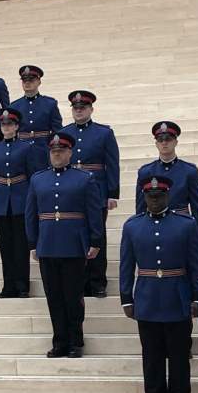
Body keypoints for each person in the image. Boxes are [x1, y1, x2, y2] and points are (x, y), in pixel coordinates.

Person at [120, 176, 198, 393]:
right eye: (150, 196)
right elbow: (126, 264)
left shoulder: (186, 225)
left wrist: (196, 296)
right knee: (152, 360)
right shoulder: (133, 226)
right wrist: (126, 296)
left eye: (159, 196)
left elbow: (195, 264)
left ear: (168, 196)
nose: (154, 200)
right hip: (146, 300)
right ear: (144, 198)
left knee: (179, 359)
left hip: (177, 298)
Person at [26, 131, 103, 358]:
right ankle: (59, 341)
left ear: (70, 153)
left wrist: (95, 240)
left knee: (73, 296)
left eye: (61, 151)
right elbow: (31, 214)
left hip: (73, 245)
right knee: (54, 297)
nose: (57, 155)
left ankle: (75, 341)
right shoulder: (38, 179)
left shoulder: (84, 178)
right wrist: (33, 242)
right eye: (53, 151)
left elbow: (93, 212)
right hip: (47, 245)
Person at [61, 90, 119, 298]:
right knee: (77, 236)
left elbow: (111, 164)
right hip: (72, 191)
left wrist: (113, 193)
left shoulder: (103, 133)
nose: (79, 111)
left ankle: (97, 281)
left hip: (96, 191)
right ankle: (80, 280)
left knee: (97, 235)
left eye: (83, 108)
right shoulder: (64, 133)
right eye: (75, 108)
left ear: (91, 109)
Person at [0, 107, 43, 297]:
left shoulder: (27, 147)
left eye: (10, 124)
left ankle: (22, 285)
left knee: (20, 245)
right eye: (3, 124)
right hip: (2, 200)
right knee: (5, 246)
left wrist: (33, 202)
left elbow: (32, 176)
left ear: (17, 126)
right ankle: (8, 285)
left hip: (21, 198)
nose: (6, 127)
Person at [135, 121, 198, 239]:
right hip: (154, 224)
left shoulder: (189, 171)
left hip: (181, 225)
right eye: (160, 140)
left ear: (176, 142)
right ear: (156, 143)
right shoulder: (146, 172)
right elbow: (141, 208)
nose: (164, 143)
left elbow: (197, 208)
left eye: (168, 139)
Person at [9, 65, 62, 169]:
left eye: (31, 80)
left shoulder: (49, 104)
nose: (27, 83)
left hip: (43, 149)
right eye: (24, 80)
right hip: (21, 149)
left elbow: (57, 130)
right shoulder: (15, 106)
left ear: (39, 82)